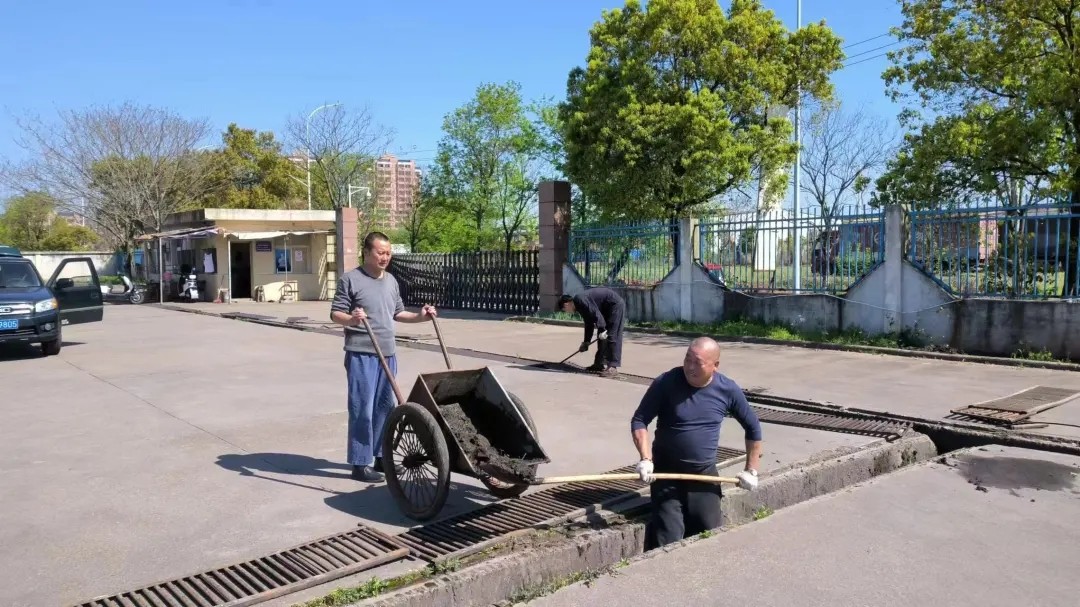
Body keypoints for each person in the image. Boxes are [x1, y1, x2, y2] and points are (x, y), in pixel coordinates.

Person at [630, 337, 763, 551]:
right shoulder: (666, 382)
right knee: (668, 538)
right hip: (666, 474)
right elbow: (639, 420)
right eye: (687, 359)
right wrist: (646, 459)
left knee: (709, 535)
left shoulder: (727, 389)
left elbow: (753, 428)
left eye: (697, 363)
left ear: (715, 365)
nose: (690, 367)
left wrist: (752, 470)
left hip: (703, 475)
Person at [331, 231, 438, 483]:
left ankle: (381, 456)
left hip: (387, 353)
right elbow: (335, 314)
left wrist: (421, 316)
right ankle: (360, 463)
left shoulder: (391, 281)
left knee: (384, 408)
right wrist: (352, 319)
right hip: (362, 353)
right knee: (362, 409)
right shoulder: (351, 279)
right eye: (380, 252)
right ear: (367, 253)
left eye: (388, 253)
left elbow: (398, 313)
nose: (385, 257)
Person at [558, 287, 626, 377]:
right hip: (605, 309)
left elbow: (596, 315)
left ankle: (612, 367)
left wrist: (604, 330)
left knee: (612, 335)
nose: (567, 312)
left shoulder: (580, 299)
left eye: (564, 311)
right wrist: (586, 342)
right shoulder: (579, 305)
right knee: (601, 337)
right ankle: (599, 364)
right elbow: (589, 323)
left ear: (566, 304)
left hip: (615, 305)